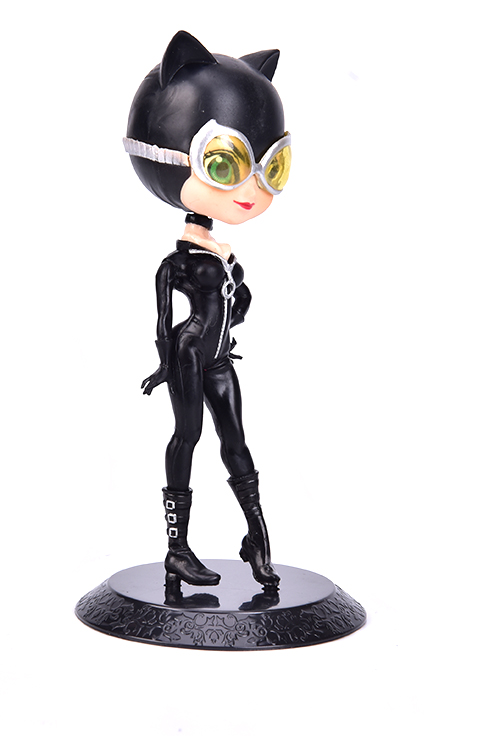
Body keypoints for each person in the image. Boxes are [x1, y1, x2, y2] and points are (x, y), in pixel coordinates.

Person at [123, 31, 292, 590]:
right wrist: (163, 362)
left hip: (219, 358)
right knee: (187, 437)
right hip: (191, 354)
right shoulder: (178, 262)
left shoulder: (222, 255)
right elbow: (161, 320)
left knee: (236, 443)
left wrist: (235, 303)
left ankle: (257, 539)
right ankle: (177, 549)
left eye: (271, 167)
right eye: (224, 163)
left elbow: (238, 304)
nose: (251, 189)